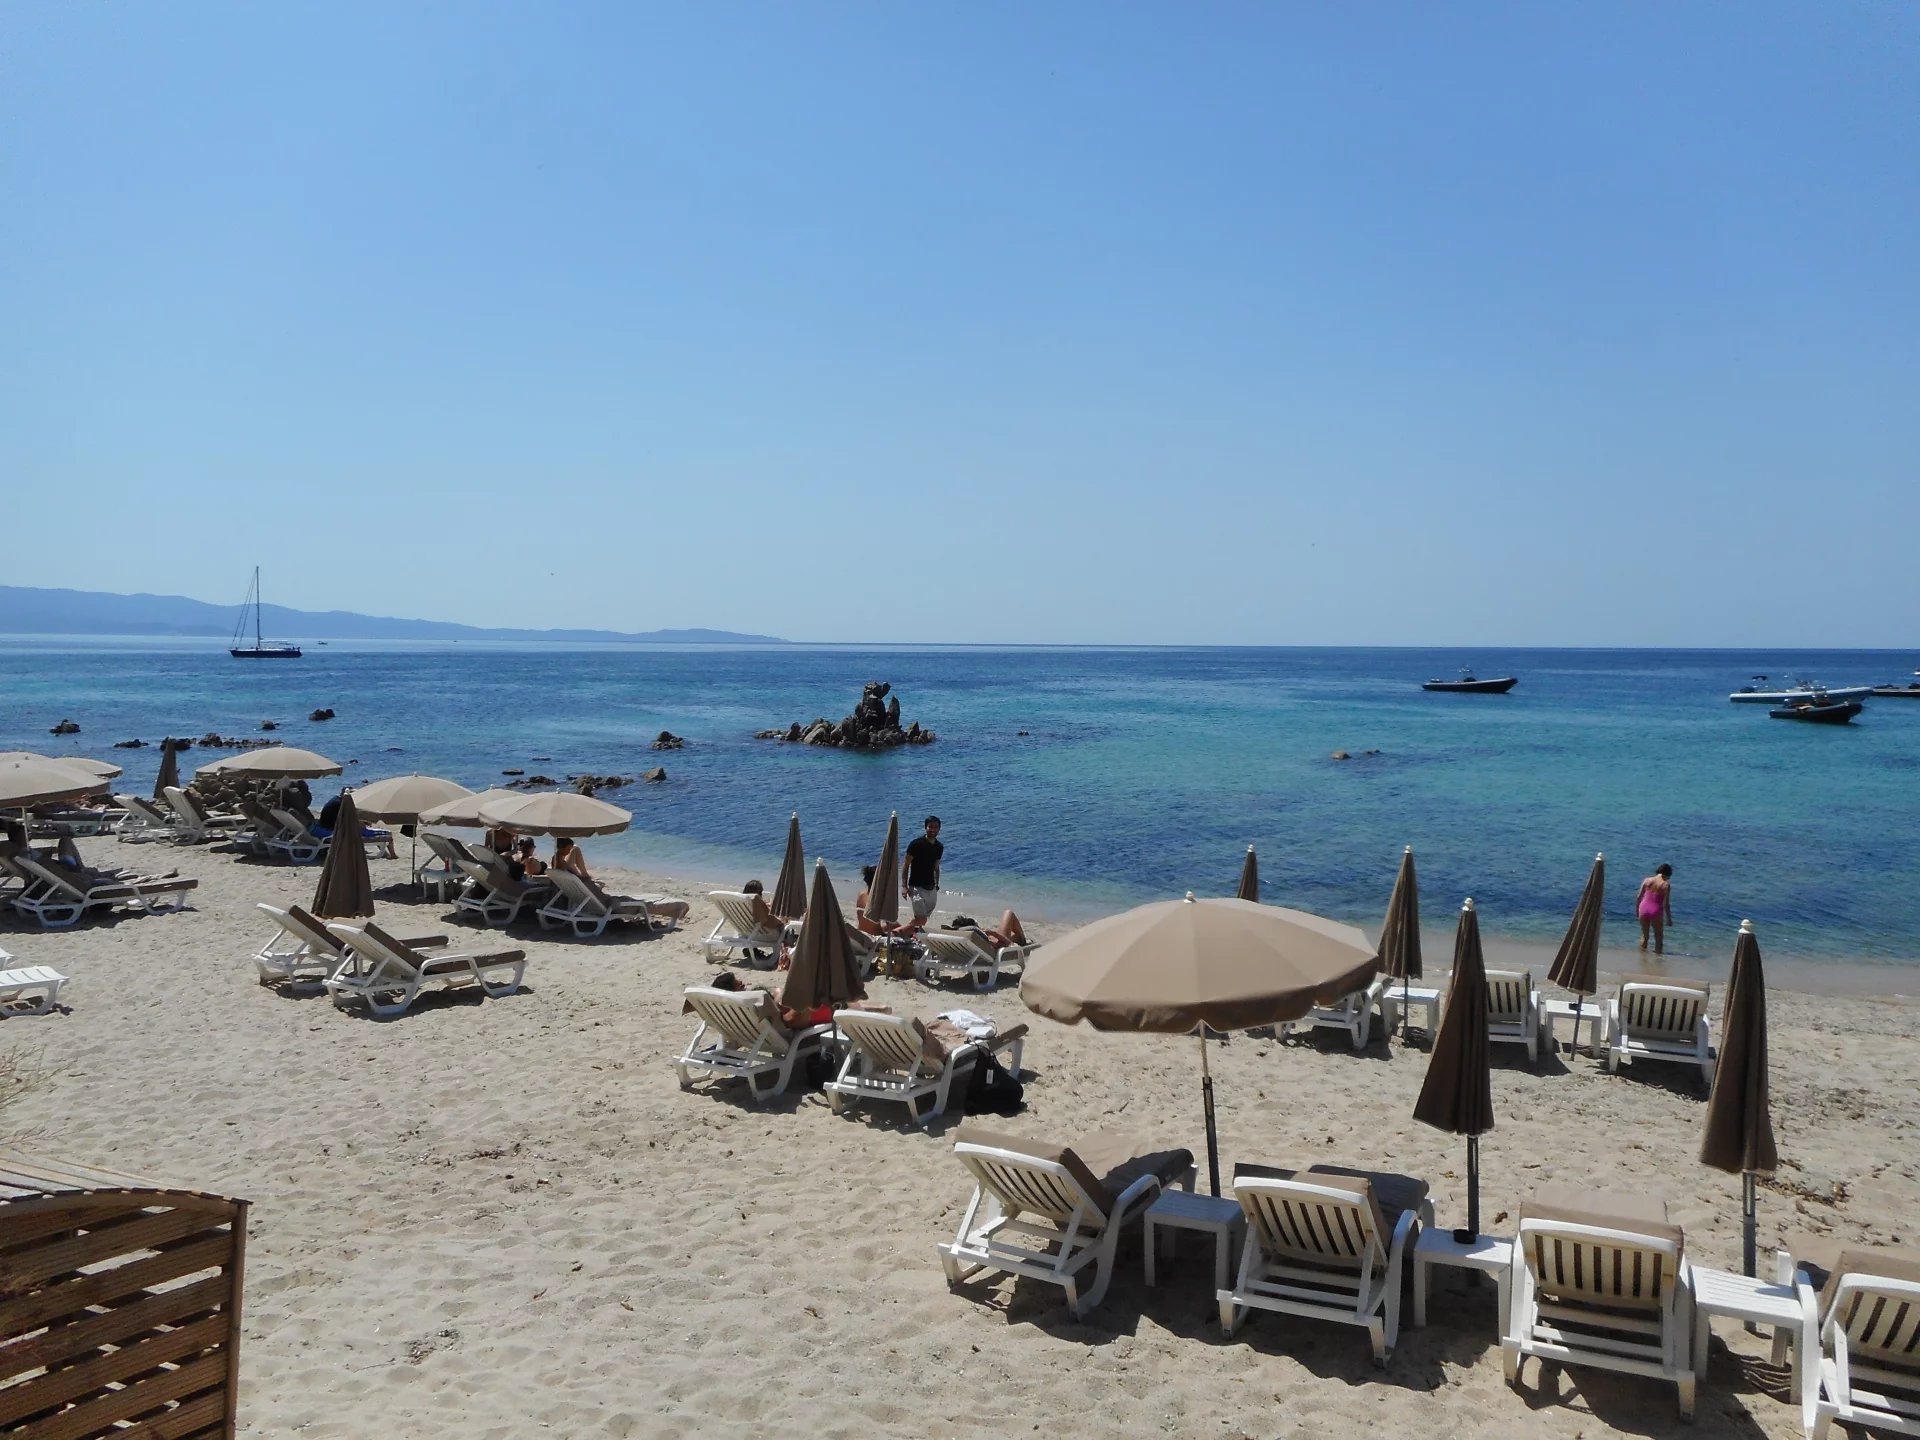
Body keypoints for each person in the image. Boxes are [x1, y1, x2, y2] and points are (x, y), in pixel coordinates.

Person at [903, 815, 943, 928]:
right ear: (925, 828)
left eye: (936, 827)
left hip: (931, 887)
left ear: (939, 829)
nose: (933, 829)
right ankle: (901, 932)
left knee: (922, 919)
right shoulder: (916, 844)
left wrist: (937, 884)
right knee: (921, 919)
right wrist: (904, 886)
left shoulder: (939, 847)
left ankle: (907, 933)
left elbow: (936, 867)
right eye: (930, 827)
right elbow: (906, 865)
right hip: (916, 887)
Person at [1636, 863, 1674, 954]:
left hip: (1643, 908)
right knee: (1658, 937)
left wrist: (1637, 910)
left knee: (1645, 936)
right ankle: (1658, 962)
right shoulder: (1665, 885)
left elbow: (1638, 897)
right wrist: (1669, 918)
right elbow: (1666, 904)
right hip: (1655, 911)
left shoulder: (1647, 880)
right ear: (1667, 874)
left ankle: (1642, 958)